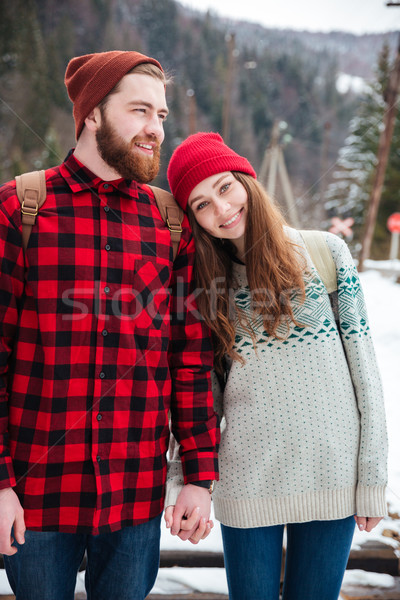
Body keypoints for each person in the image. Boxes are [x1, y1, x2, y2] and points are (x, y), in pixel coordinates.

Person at [0, 53, 219, 600]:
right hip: (37, 493)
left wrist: (198, 476)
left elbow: (188, 360)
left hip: (135, 494)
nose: (155, 129)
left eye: (163, 116)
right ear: (92, 112)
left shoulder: (170, 225)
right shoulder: (21, 209)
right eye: (140, 110)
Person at [164, 132, 388, 600]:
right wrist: (184, 479)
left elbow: (366, 377)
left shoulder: (326, 253)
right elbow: (200, 397)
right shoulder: (210, 287)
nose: (221, 210)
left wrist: (372, 477)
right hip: (246, 482)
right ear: (194, 221)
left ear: (246, 179)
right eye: (202, 205)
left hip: (332, 474)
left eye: (224, 188)